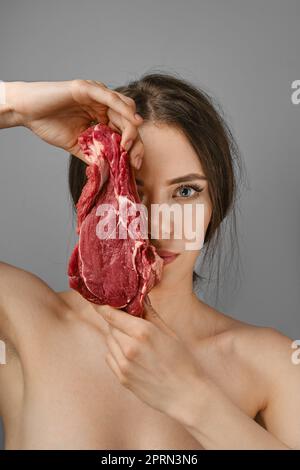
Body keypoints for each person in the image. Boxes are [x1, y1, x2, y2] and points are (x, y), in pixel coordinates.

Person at [0, 75, 299, 450]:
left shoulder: (274, 362)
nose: (156, 221)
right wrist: (12, 104)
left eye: (185, 191)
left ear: (215, 207)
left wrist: (193, 400)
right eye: (130, 191)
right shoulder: (21, 320)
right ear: (90, 202)